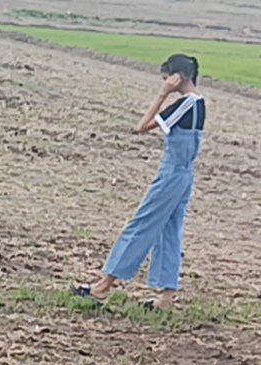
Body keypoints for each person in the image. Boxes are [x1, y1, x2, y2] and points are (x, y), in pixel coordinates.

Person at [73, 54, 205, 311]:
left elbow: (142, 126)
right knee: (170, 232)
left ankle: (103, 286)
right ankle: (166, 298)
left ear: (178, 77)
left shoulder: (186, 103)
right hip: (184, 175)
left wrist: (163, 94)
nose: (165, 80)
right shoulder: (199, 103)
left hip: (172, 174)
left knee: (142, 224)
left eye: (167, 76)